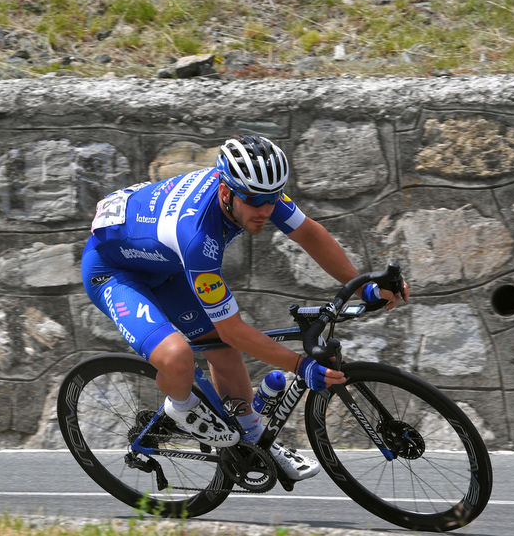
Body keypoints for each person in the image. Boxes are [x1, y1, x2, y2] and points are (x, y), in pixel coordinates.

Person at [81, 134, 409, 480]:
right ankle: (180, 408)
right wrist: (301, 365)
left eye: (272, 199)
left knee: (221, 351)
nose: (265, 211)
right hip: (113, 271)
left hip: (167, 265)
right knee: (178, 357)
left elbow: (310, 235)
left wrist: (364, 287)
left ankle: (255, 440)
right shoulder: (197, 237)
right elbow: (234, 329)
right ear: (226, 192)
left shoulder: (254, 191)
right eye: (255, 202)